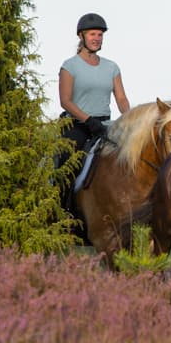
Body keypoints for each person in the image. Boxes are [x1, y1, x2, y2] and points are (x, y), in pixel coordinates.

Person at [56, 13, 130, 205]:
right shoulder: (70, 66)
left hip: (105, 125)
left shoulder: (111, 67)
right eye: (92, 34)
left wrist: (129, 117)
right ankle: (62, 205)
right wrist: (88, 120)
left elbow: (121, 98)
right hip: (77, 124)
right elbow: (65, 101)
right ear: (81, 36)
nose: (96, 38)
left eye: (100, 35)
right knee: (67, 161)